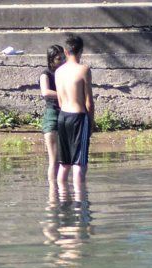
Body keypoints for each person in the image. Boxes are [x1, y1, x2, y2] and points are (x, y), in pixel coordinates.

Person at [55, 34, 94, 193]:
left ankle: (61, 198)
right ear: (81, 51)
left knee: (64, 164)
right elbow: (89, 102)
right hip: (78, 117)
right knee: (79, 164)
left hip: (62, 117)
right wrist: (91, 123)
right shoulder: (84, 70)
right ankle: (80, 201)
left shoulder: (58, 71)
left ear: (65, 51)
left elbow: (59, 101)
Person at [40, 45, 64, 184]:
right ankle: (53, 192)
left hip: (66, 115)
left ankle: (63, 191)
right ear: (51, 60)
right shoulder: (46, 74)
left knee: (64, 161)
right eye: (59, 59)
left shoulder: (65, 73)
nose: (62, 61)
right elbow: (45, 92)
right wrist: (66, 94)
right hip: (52, 116)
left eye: (64, 58)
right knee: (54, 160)